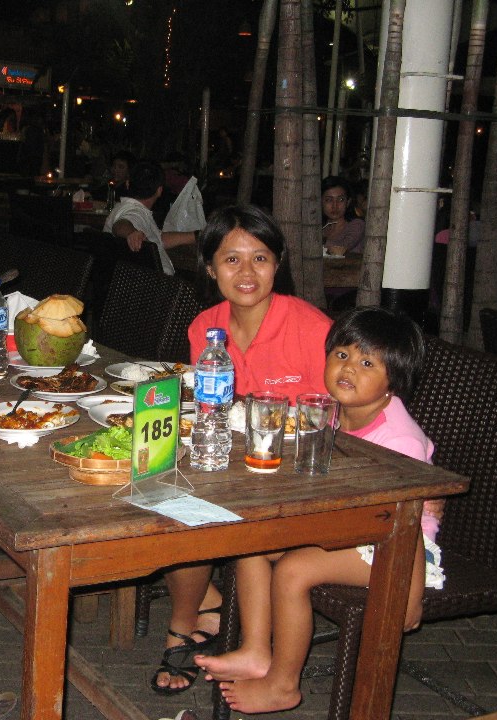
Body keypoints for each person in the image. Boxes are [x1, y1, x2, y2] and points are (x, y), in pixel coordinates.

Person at [195, 306, 445, 714]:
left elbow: (410, 519)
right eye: (342, 355)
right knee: (252, 540)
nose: (349, 369)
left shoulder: (400, 440)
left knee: (295, 570)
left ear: (395, 380)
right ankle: (256, 650)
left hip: (396, 547)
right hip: (349, 523)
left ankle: (283, 684)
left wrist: (408, 592)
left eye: (367, 363)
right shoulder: (331, 411)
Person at [152, 205, 332, 694]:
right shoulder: (204, 328)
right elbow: (210, 411)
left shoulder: (313, 328)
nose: (247, 272)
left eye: (260, 258)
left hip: (295, 481)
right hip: (233, 470)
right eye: (231, 259)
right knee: (159, 492)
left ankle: (183, 626)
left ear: (278, 264)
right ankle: (205, 605)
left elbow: (342, 418)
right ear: (210, 268)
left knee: (191, 514)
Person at [103, 160, 196, 277]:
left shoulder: (126, 208)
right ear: (159, 190)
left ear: (127, 184)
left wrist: (196, 236)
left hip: (145, 281)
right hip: (153, 284)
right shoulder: (134, 213)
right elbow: (121, 224)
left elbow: (158, 238)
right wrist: (131, 233)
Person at [321, 175, 365, 256]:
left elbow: (341, 248)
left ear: (348, 202)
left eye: (341, 200)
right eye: (329, 200)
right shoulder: (320, 227)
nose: (335, 206)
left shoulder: (357, 225)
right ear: (321, 202)